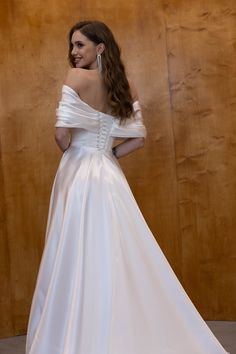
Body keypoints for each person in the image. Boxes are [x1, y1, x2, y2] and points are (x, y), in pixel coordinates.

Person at [26, 20, 229, 354]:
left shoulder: (76, 78)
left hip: (79, 173)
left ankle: (79, 331)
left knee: (75, 249)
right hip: (109, 173)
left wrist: (78, 153)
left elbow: (61, 135)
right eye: (72, 46)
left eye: (80, 45)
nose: (74, 53)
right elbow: (138, 139)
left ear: (100, 47)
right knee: (114, 249)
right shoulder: (126, 85)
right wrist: (107, 155)